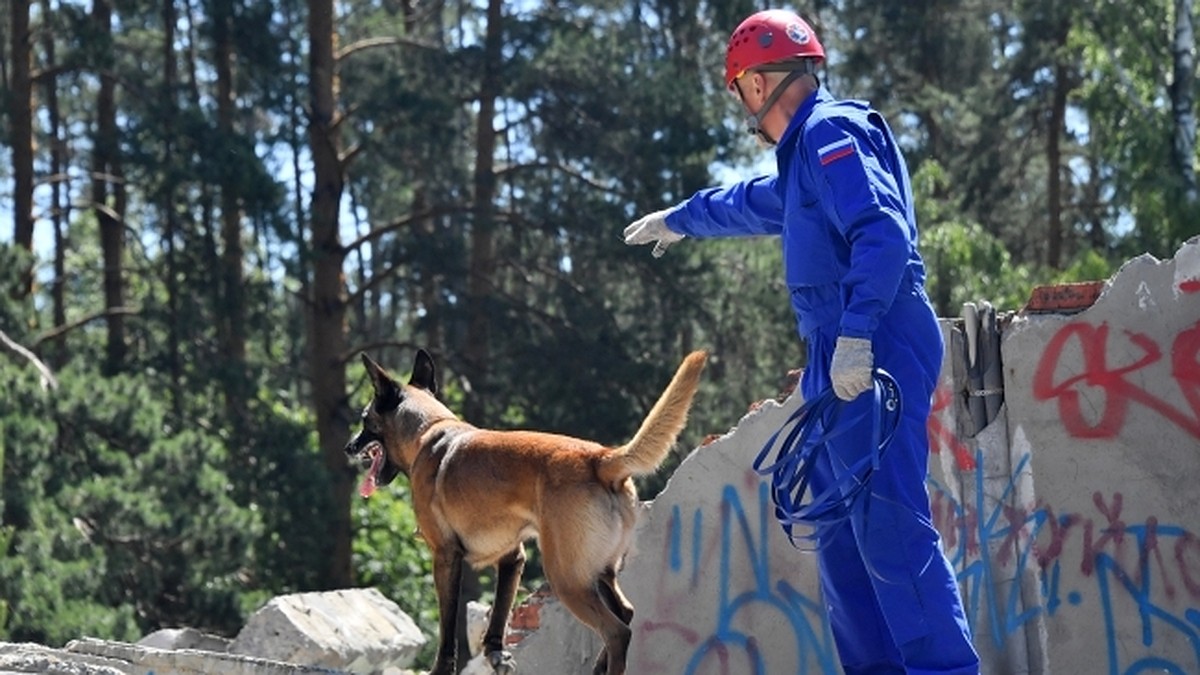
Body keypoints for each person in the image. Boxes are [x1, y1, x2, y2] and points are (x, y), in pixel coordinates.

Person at [623, 9, 981, 675]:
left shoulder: (830, 130)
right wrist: (681, 217)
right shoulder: (802, 163)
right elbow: (747, 201)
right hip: (839, 350)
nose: (745, 111)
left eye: (740, 93)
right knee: (840, 537)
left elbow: (883, 233)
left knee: (888, 525)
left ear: (757, 84)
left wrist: (856, 337)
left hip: (876, 340)